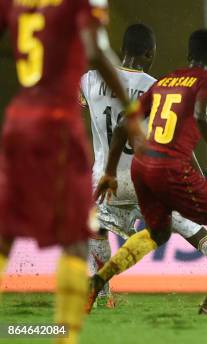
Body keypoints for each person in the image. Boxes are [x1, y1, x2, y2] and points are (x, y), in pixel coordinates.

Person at [81, 24, 207, 310]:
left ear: (123, 50)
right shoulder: (155, 83)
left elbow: (91, 105)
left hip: (106, 179)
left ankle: (102, 294)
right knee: (199, 233)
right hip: (151, 175)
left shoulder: (89, 80)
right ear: (150, 53)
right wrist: (206, 174)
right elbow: (179, 135)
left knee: (96, 229)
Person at [0, 0, 141, 342]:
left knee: (5, 232)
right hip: (58, 127)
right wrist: (132, 109)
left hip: (18, 121)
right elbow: (95, 48)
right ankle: (64, 337)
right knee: (79, 236)